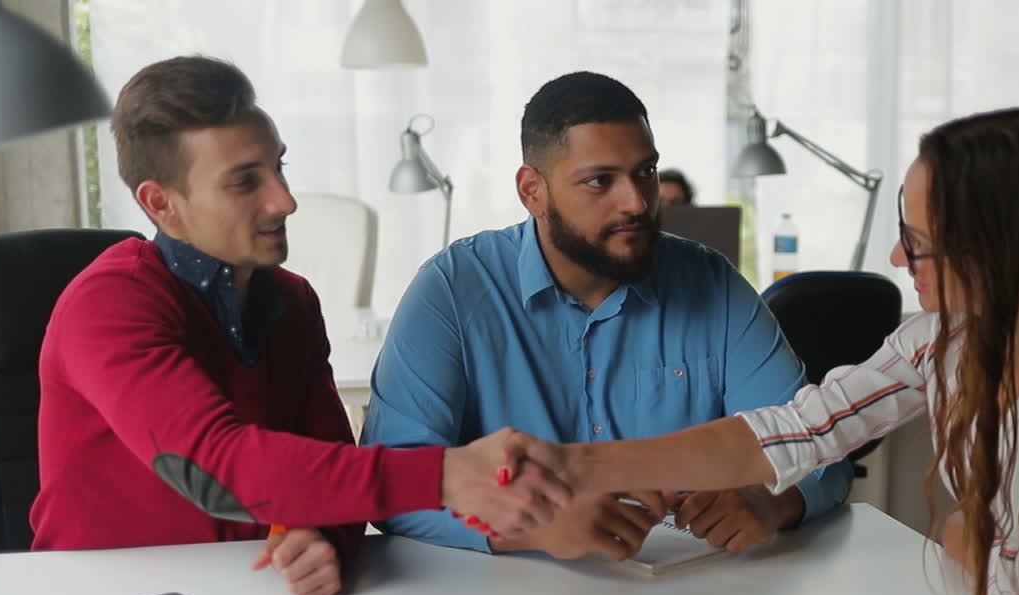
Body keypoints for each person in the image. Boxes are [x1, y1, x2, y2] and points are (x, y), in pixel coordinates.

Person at [506, 108, 1019, 595]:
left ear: (1005, 246)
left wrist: (959, 532)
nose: (898, 259)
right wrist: (579, 466)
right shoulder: (945, 338)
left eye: (919, 241)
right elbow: (795, 430)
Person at [29, 56, 570, 595]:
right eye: (245, 182)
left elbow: (329, 463)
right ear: (160, 203)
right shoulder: (109, 304)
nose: (284, 200)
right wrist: (449, 475)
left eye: (278, 167)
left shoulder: (292, 302)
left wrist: (319, 537)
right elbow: (214, 469)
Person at [363, 71, 851, 559]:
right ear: (532, 190)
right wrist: (532, 527)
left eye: (646, 172)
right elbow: (389, 483)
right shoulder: (452, 290)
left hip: (692, 587)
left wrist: (774, 501)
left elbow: (821, 448)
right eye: (600, 181)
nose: (636, 203)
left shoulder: (714, 285)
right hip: (505, 594)